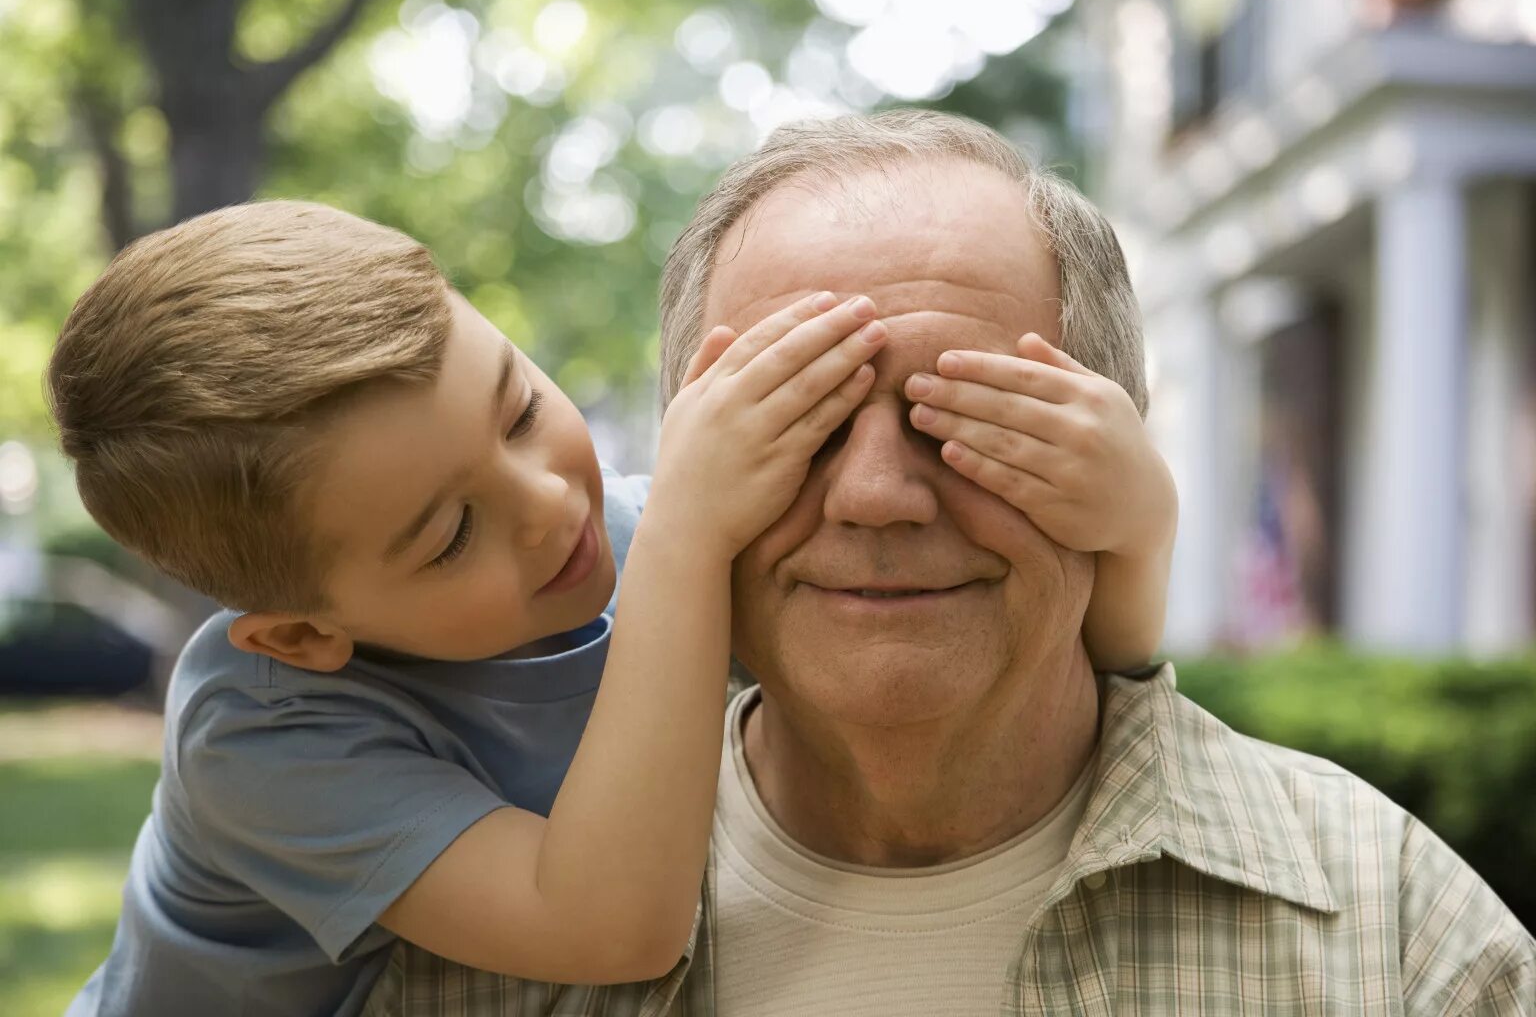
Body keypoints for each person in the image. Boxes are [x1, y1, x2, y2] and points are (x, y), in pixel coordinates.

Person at [363, 109, 1535, 1016]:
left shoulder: (1400, 938)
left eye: (967, 416)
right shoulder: (481, 957)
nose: (875, 494)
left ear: (1115, 448)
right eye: (799, 416)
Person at [48, 196, 1175, 1015]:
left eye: (520, 406)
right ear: (303, 631)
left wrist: (1135, 519)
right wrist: (691, 534)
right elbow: (611, 929)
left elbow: (1092, 667)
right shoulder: (260, 733)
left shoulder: (639, 536)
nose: (547, 507)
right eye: (449, 535)